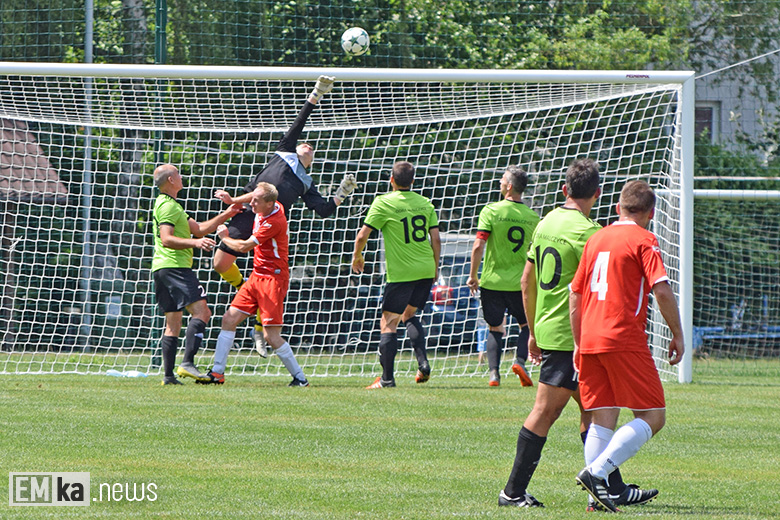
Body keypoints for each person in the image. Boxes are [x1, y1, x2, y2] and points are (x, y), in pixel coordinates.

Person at [498, 158, 657, 510]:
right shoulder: (592, 233)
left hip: (548, 328)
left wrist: (531, 330)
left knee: (595, 413)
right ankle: (512, 492)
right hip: (577, 334)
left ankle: (609, 489)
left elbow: (527, 281)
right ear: (598, 194)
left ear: (564, 189)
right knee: (547, 412)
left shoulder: (546, 221)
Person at [212, 75, 357, 357]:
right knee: (219, 263)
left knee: (244, 264)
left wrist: (341, 194)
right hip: (248, 212)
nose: (308, 145)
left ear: (310, 162)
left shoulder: (306, 183)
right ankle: (249, 297)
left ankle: (256, 316)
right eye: (306, 144)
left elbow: (324, 210)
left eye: (312, 149)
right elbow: (299, 122)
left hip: (269, 228)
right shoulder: (285, 151)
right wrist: (316, 93)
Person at [571, 180, 684, 512]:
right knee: (653, 415)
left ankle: (597, 498)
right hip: (623, 337)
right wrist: (677, 334)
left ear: (618, 207)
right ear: (650, 213)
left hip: (590, 338)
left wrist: (579, 343)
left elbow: (575, 295)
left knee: (602, 418)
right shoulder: (644, 239)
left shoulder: (596, 238)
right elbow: (661, 289)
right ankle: (597, 474)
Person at [201, 182, 310, 387]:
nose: (251, 202)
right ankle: (217, 373)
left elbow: (243, 247)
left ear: (269, 204)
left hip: (273, 279)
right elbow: (254, 194)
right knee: (229, 319)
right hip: (256, 276)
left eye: (256, 201)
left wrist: (224, 237)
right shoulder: (269, 202)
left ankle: (300, 379)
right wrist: (232, 201)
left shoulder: (273, 221)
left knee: (271, 336)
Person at [151, 164, 242, 385]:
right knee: (202, 312)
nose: (182, 177)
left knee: (173, 323)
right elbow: (167, 239)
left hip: (163, 268)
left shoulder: (171, 205)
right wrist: (196, 243)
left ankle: (169, 377)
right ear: (171, 180)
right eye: (178, 174)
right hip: (175, 267)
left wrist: (227, 214)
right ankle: (187, 363)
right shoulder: (168, 207)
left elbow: (200, 228)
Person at [352, 161, 440, 388]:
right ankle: (423, 364)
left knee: (389, 322)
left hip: (402, 272)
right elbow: (436, 239)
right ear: (413, 181)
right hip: (425, 268)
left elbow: (362, 236)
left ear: (391, 180)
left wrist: (357, 256)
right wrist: (436, 267)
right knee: (409, 315)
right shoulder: (425, 203)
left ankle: (387, 379)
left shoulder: (383, 202)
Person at [466, 165, 540, 387]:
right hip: (520, 283)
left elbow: (479, 245)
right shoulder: (533, 217)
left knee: (495, 327)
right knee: (526, 325)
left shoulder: (491, 211)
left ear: (509, 186)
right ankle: (519, 362)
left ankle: (494, 374)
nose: (499, 182)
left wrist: (473, 275)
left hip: (493, 282)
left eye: (501, 180)